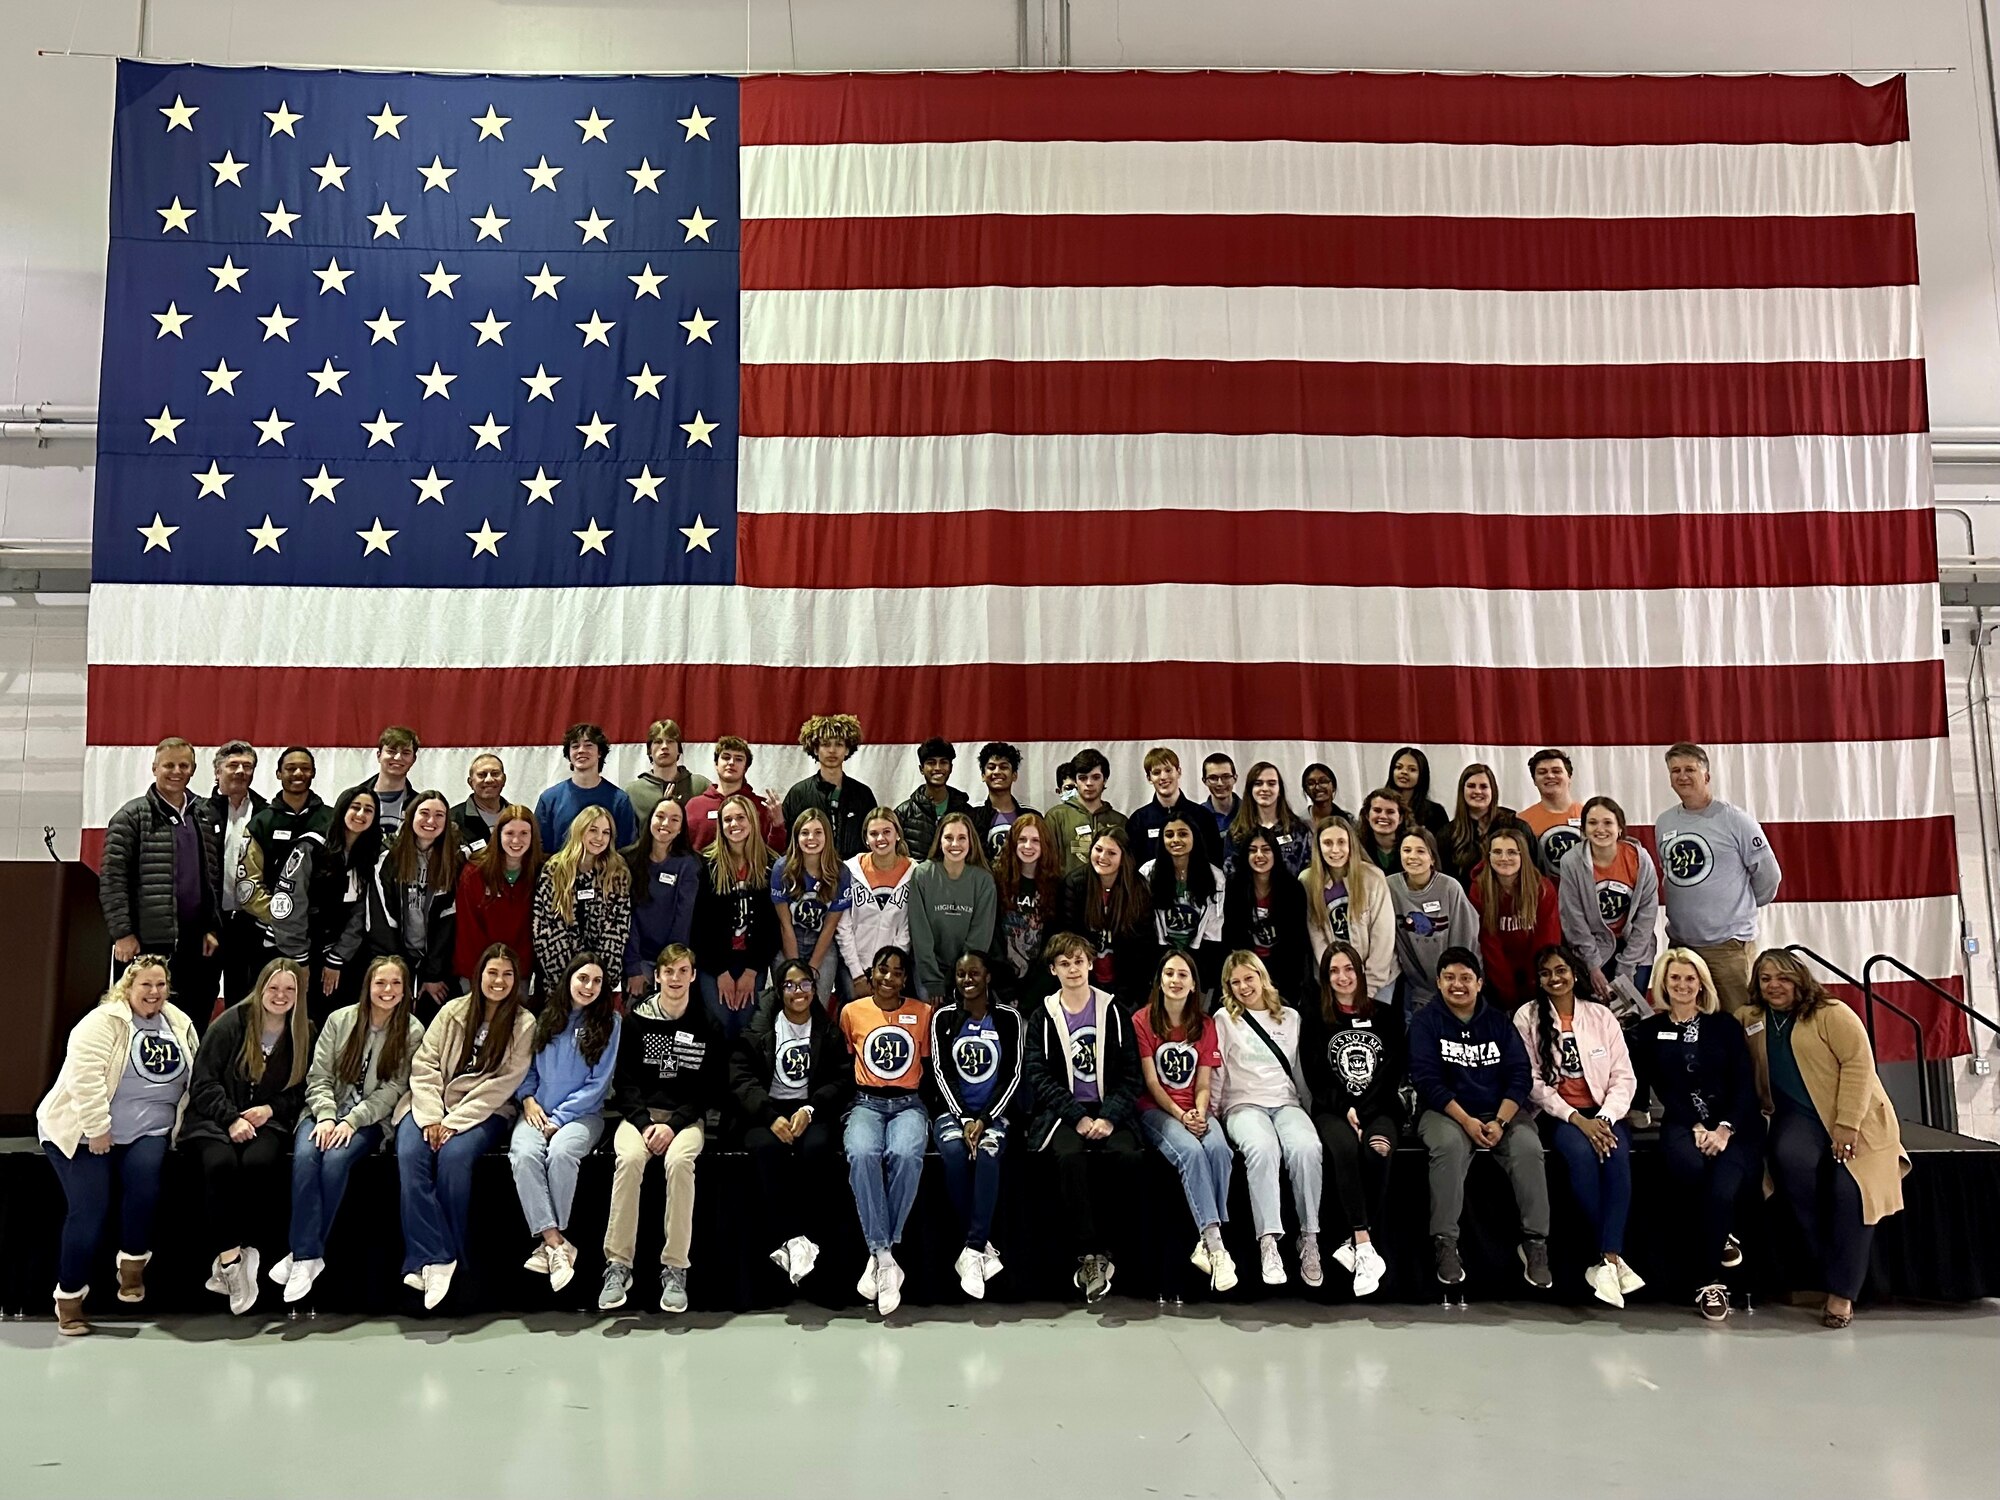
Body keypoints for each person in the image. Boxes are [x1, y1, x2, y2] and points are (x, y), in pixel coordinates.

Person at [1741, 949, 1908, 1329]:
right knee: (1789, 1164)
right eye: (1766, 978)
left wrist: (1846, 1125)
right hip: (1797, 1118)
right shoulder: (1750, 1018)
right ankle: (1831, 1263)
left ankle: (1841, 1294)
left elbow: (1858, 1065)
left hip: (1855, 1118)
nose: (1773, 986)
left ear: (1800, 979)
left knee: (1851, 1194)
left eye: (1782, 977)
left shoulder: (1831, 1013)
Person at [36, 956, 198, 1334]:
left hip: (149, 1130)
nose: (154, 993)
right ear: (128, 987)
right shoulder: (102, 1022)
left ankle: (132, 1266)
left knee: (145, 1186)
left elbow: (195, 1073)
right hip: (84, 1129)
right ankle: (70, 1298)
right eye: (146, 985)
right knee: (89, 1209)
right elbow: (85, 1078)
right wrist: (97, 1128)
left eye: (160, 985)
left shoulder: (179, 1022)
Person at [274, 953, 423, 1304]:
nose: (387, 990)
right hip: (323, 1110)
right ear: (368, 985)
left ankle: (303, 1254)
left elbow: (393, 1090)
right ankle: (308, 1256)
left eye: (396, 983)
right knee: (307, 1156)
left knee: (336, 1161)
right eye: (380, 982)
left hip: (369, 1120)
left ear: (405, 990)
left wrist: (351, 1121)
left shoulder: (412, 1031)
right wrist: (326, 1115)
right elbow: (319, 1075)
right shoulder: (339, 1020)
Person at [396, 943, 537, 1310]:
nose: (499, 981)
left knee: (454, 1160)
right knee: (410, 1154)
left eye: (507, 974)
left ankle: (444, 1259)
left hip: (482, 1112)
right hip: (430, 1106)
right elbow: (424, 1065)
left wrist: (453, 1124)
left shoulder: (524, 1024)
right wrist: (430, 1117)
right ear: (479, 975)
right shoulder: (451, 1012)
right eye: (493, 972)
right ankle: (436, 1256)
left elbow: (502, 1085)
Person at [1630, 949, 1763, 1321]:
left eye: (1690, 978)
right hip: (1683, 1124)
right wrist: (1696, 1126)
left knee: (1721, 1190)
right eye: (1675, 978)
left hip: (1735, 1126)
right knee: (1689, 1168)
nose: (1683, 985)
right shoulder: (1650, 1031)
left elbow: (1743, 1086)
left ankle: (1711, 1282)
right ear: (1662, 983)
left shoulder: (1725, 1026)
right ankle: (1722, 1236)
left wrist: (1723, 1129)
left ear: (1702, 983)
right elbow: (1658, 1088)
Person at [1407, 947, 1552, 1290]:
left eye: (1466, 978)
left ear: (1480, 983)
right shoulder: (1426, 1023)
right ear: (1439, 983)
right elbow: (1427, 1081)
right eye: (1450, 978)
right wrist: (1467, 1121)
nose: (1458, 985)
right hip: (1446, 1112)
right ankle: (1445, 1243)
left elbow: (1520, 1076)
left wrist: (1500, 1122)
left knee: (1529, 1148)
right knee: (1448, 1148)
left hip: (1499, 1113)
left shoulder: (1499, 1022)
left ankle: (1535, 1243)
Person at [1514, 943, 1643, 1307]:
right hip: (1560, 1116)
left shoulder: (1600, 1015)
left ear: (1575, 974)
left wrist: (1602, 1119)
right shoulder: (1527, 1017)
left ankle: (1608, 1259)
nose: (1554, 978)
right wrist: (1578, 1121)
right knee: (1582, 1161)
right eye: (1546, 973)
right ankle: (1612, 1257)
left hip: (1604, 1112)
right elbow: (1533, 1083)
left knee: (1618, 1160)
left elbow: (1624, 1077)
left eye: (1561, 970)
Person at [180, 957, 311, 1314]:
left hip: (267, 1121)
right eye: (273, 987)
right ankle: (232, 1262)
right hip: (213, 1119)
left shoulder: (304, 1031)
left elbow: (303, 1090)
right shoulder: (230, 1024)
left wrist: (271, 1110)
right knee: (220, 1164)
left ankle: (242, 1253)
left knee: (259, 1162)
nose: (280, 996)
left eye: (289, 989)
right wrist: (231, 1119)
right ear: (260, 988)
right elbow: (203, 1083)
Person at [598, 943, 721, 1314]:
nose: (676, 979)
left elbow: (708, 1089)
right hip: (640, 1118)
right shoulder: (637, 1019)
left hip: (685, 1120)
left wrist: (675, 1125)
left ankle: (675, 1268)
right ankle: (618, 1265)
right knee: (630, 1160)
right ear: (657, 977)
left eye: (683, 971)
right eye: (669, 972)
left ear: (693, 976)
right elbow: (626, 1082)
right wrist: (644, 1122)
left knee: (680, 1163)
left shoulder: (706, 1024)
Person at [1024, 932, 1143, 1302]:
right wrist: (1076, 1116)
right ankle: (1088, 1254)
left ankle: (1114, 1250)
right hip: (1065, 1114)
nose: (1073, 969)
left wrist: (1108, 1118)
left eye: (1079, 961)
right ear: (1053, 969)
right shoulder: (1043, 1015)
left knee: (1127, 1157)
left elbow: (1131, 1075)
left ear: (1091, 964)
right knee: (1070, 1158)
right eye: (1064, 963)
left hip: (1109, 1111)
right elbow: (1037, 1074)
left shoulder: (1113, 1010)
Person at [732, 959, 852, 1288]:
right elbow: (741, 1078)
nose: (798, 991)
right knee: (765, 1149)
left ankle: (798, 1240)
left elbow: (842, 1080)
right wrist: (770, 1116)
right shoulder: (761, 1028)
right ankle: (796, 1240)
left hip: (810, 1110)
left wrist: (811, 1109)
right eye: (789, 985)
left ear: (815, 989)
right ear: (779, 990)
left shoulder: (827, 1030)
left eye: (805, 985)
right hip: (768, 1111)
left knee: (816, 1148)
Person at [510, 954, 621, 1295]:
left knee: (560, 1154)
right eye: (582, 978)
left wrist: (558, 1120)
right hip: (537, 1110)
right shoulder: (543, 1018)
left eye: (596, 981)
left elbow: (598, 1085)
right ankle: (556, 1242)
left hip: (582, 1117)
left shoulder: (611, 1022)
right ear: (569, 979)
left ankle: (551, 1245)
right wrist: (528, 1099)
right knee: (523, 1155)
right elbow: (524, 1070)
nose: (588, 987)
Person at [1215, 951, 1324, 1288]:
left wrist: (1311, 1112)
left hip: (1285, 1103)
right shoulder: (1224, 1019)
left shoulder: (1290, 1018)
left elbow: (1300, 1073)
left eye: (1249, 978)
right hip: (1243, 1104)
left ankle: (1309, 1238)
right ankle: (1269, 1242)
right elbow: (1216, 1070)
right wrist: (1212, 1116)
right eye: (1236, 982)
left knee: (1307, 1148)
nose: (1244, 987)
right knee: (1263, 1149)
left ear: (1262, 977)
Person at [1132, 950, 1238, 1293]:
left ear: (1194, 985)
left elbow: (1204, 1082)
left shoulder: (1205, 1025)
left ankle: (1208, 1241)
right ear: (1159, 980)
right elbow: (1151, 1082)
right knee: (1192, 1152)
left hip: (1195, 1108)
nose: (1175, 981)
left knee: (1220, 1148)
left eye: (1182, 975)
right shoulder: (1142, 1020)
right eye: (1169, 974)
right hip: (1156, 1111)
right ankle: (1216, 1246)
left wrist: (1199, 1112)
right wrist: (1181, 1115)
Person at [1299, 941, 1400, 1298]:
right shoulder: (1315, 1018)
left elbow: (1391, 1075)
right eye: (1333, 971)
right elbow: (1315, 1076)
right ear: (1325, 978)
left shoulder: (1386, 1016)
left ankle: (1354, 1244)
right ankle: (1364, 1242)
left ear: (1359, 972)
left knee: (1378, 1151)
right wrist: (1346, 1108)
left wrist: (1366, 1111)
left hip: (1379, 1109)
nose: (1342, 977)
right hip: (1333, 1110)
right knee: (1343, 1148)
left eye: (1348, 969)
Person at [100, 736, 222, 1029]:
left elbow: (211, 879)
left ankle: (191, 1075)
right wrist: (123, 933)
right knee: (139, 1020)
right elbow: (112, 879)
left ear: (192, 770)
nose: (176, 771)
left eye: (184, 765)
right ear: (154, 768)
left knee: (192, 1019)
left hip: (195, 942)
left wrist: (211, 927)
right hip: (146, 941)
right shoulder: (131, 816)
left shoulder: (203, 814)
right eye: (169, 765)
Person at [1655, 742, 1783, 1014]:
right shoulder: (1665, 822)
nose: (1682, 776)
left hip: (1727, 947)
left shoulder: (1735, 819)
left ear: (1707, 776)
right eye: (1675, 770)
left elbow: (1769, 876)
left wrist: (1737, 910)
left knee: (1741, 1022)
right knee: (1688, 1020)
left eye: (1690, 769)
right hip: (1681, 946)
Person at [840, 946, 933, 1316]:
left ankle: (880, 1254)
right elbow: (846, 1058)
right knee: (862, 1153)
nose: (889, 978)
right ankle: (886, 1256)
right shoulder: (851, 1012)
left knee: (907, 1154)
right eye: (882, 970)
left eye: (897, 972)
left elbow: (928, 1064)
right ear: (871, 973)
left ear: (906, 978)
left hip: (908, 1103)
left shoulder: (923, 1013)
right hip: (866, 1102)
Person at [926, 951, 1025, 1298]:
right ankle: (980, 1247)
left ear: (988, 978)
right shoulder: (942, 1018)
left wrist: (983, 1119)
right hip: (953, 1113)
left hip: (994, 1114)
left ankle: (972, 1248)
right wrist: (965, 1118)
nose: (967, 980)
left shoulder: (1009, 1019)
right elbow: (941, 1072)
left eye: (974, 974)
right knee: (953, 1152)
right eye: (961, 974)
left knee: (987, 1153)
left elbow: (1012, 1074)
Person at [327, 789, 463, 1021]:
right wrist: (400, 977)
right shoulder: (388, 859)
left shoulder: (455, 861)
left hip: (435, 967)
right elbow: (382, 922)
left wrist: (432, 975)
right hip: (396, 960)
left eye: (439, 815)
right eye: (424, 813)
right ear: (410, 817)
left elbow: (448, 922)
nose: (431, 821)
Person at [237, 747, 332, 1006]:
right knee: (269, 1008)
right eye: (290, 768)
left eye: (305, 768)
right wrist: (286, 920)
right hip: (271, 938)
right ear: (279, 774)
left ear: (314, 774)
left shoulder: (332, 820)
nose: (298, 773)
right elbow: (248, 887)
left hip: (320, 939)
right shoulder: (261, 822)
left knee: (314, 1012)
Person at [1558, 795, 1661, 1011]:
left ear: (1620, 828)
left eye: (1607, 822)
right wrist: (1593, 965)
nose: (1600, 829)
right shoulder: (1571, 862)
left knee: (1631, 1017)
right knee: (1599, 1014)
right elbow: (1573, 918)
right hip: (1593, 947)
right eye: (1593, 823)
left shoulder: (1640, 859)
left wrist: (1626, 966)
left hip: (1635, 947)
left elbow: (1647, 917)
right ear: (1584, 829)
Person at [691, 793, 780, 1039]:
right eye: (727, 819)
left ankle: (742, 1078)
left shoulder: (771, 865)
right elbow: (699, 927)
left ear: (752, 821)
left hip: (753, 961)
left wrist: (752, 971)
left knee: (745, 1026)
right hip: (715, 963)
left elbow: (773, 927)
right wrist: (721, 971)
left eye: (740, 818)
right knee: (719, 1025)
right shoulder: (706, 864)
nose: (734, 824)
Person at [532, 805, 634, 986]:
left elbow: (617, 931)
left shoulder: (617, 872)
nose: (599, 838)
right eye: (593, 830)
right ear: (580, 830)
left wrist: (597, 980)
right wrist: (568, 981)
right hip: (558, 980)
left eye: (606, 832)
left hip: (600, 982)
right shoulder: (555, 870)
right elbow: (546, 929)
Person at [1057, 830, 1155, 1013]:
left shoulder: (1138, 888)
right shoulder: (1075, 883)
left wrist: (1138, 996)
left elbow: (1144, 946)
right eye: (1098, 849)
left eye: (1111, 853)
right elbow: (1068, 938)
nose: (1102, 857)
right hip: (1084, 981)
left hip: (1126, 984)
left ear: (1123, 857)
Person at [1302, 816, 1396, 1001]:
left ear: (1351, 844)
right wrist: (1336, 979)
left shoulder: (1373, 877)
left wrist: (1368, 986)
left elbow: (1383, 937)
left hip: (1378, 980)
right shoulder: (1307, 881)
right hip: (1334, 982)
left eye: (1341, 842)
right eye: (1327, 843)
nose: (1335, 850)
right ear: (1318, 847)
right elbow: (1317, 938)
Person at [1388, 829, 1481, 1014]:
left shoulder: (1449, 888)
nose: (1412, 856)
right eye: (1406, 850)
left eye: (1420, 851)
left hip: (1454, 987)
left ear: (1432, 858)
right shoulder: (1389, 887)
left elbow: (1465, 939)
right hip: (1415, 989)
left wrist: (1454, 981)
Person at [909, 811, 999, 999]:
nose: (955, 844)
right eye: (949, 838)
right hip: (929, 970)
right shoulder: (923, 875)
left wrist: (959, 976)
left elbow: (979, 939)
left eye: (962, 838)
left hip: (968, 971)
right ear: (939, 841)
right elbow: (920, 935)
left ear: (971, 842)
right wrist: (933, 980)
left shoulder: (984, 881)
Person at [1473, 826, 1562, 1011]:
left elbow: (1547, 942)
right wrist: (1508, 993)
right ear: (1488, 856)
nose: (1504, 858)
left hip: (1535, 975)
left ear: (1523, 856)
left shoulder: (1543, 889)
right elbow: (1489, 944)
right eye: (1497, 852)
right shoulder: (1478, 890)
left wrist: (1533, 985)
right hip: (1496, 978)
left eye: (1512, 852)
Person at [454, 805, 543, 990]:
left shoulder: (541, 873)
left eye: (524, 833)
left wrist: (519, 969)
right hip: (478, 972)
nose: (516, 840)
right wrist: (483, 971)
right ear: (498, 835)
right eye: (509, 833)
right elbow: (468, 928)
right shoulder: (475, 872)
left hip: (519, 973)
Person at [621, 796, 701, 999]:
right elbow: (626, 916)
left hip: (670, 960)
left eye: (675, 819)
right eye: (661, 816)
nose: (666, 824)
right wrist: (633, 967)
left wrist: (670, 966)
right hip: (636, 958)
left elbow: (683, 918)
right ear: (650, 821)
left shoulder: (688, 864)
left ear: (681, 828)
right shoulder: (628, 860)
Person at [771, 806, 853, 1001]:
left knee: (817, 1005)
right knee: (788, 1002)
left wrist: (813, 969)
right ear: (796, 837)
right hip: (789, 941)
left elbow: (830, 926)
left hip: (822, 944)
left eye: (818, 832)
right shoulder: (782, 869)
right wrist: (795, 969)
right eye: (805, 833)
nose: (811, 838)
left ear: (827, 836)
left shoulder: (841, 872)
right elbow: (785, 925)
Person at [1139, 811, 1227, 992]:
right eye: (1169, 835)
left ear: (1194, 837)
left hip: (1200, 957)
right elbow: (1144, 923)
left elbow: (1214, 929)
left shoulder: (1215, 877)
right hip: (1159, 956)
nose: (1176, 840)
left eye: (1183, 834)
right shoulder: (1147, 873)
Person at [1221, 828, 1312, 1001]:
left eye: (1266, 849)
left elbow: (1297, 941)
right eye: (1253, 850)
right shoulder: (1234, 887)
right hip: (1246, 969)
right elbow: (1231, 935)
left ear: (1275, 853)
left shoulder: (1292, 889)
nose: (1259, 855)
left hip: (1284, 971)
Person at [209, 740, 268, 1003]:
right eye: (233, 765)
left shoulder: (265, 813)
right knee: (199, 994)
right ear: (217, 771)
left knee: (245, 998)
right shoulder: (198, 812)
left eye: (247, 766)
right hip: (210, 922)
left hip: (250, 923)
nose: (241, 771)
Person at [837, 808, 917, 997]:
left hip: (894, 968)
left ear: (897, 834)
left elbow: (908, 927)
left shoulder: (915, 872)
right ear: (866, 839)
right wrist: (857, 974)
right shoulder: (849, 870)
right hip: (853, 965)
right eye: (874, 834)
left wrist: (888, 971)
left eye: (887, 832)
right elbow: (843, 926)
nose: (881, 838)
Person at [781, 713, 878, 858]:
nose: (832, 750)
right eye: (826, 744)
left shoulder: (863, 794)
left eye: (838, 744)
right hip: (810, 873)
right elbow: (788, 842)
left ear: (847, 750)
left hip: (854, 874)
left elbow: (873, 836)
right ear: (815, 749)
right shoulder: (798, 793)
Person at [535, 722, 638, 853]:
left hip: (606, 873)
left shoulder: (620, 801)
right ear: (569, 754)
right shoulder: (549, 799)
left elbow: (626, 849)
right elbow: (540, 849)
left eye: (588, 745)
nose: (581, 750)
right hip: (559, 872)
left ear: (599, 752)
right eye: (575, 746)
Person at [993, 811, 1061, 1000]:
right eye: (1022, 839)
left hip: (1041, 983)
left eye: (1035, 840)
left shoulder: (1056, 885)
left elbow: (1055, 941)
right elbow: (992, 935)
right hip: (1001, 981)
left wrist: (1037, 988)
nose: (1028, 846)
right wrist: (1004, 984)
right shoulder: (997, 880)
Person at [1128, 747, 1226, 872]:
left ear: (1178, 772)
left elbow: (1215, 861)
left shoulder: (1202, 816)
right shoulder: (1139, 820)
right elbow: (1133, 866)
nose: (1163, 777)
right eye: (1156, 772)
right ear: (1149, 778)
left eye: (1168, 770)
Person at [685, 735, 787, 851]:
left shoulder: (761, 807)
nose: (731, 762)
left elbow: (775, 854)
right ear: (716, 764)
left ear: (746, 768)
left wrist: (778, 824)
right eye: (726, 757)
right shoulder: (694, 806)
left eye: (738, 759)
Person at [1043, 747, 1126, 877]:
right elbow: (1046, 864)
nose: (1089, 783)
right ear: (1075, 781)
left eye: (1096, 777)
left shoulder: (1119, 821)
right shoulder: (1056, 817)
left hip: (1109, 894)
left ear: (1104, 780)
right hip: (1067, 894)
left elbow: (1126, 866)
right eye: (1083, 778)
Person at [1443, 762, 1529, 887]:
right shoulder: (1447, 834)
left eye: (1484, 786)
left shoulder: (1517, 828)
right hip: (1464, 904)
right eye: (1471, 786)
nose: (1477, 791)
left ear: (1493, 791)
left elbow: (1532, 871)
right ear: (1462, 791)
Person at [895, 736, 974, 861]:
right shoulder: (903, 813)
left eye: (943, 762)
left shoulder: (966, 812)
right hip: (916, 880)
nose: (937, 768)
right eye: (931, 763)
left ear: (951, 768)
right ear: (921, 769)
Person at [624, 718, 711, 830]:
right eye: (658, 742)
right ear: (649, 751)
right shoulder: (633, 792)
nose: (664, 746)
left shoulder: (700, 786)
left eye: (670, 741)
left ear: (679, 749)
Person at [1227, 761, 1311, 876]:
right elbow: (1231, 873)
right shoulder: (1237, 832)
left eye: (1271, 783)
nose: (1265, 789)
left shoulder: (1298, 830)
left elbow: (1307, 872)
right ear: (1250, 790)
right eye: (1258, 783)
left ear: (1280, 790)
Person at [341, 725, 419, 836]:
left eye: (405, 753)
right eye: (391, 751)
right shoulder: (351, 799)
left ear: (413, 760)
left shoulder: (419, 805)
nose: (397, 757)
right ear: (379, 756)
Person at [1520, 748, 1586, 878]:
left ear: (1569, 777)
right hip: (1542, 895)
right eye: (1542, 772)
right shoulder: (1521, 821)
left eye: (1556, 771)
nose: (1550, 776)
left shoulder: (1590, 816)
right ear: (1534, 780)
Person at [970, 740, 1039, 862]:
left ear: (1014, 775)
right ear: (983, 775)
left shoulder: (1032, 816)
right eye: (991, 767)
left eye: (1004, 767)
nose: (997, 772)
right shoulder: (972, 815)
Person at [1387, 747, 1451, 842]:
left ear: (1422, 775)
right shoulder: (1379, 806)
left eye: (1412, 769)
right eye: (1398, 767)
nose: (1404, 772)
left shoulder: (1436, 813)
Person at [453, 752, 509, 857]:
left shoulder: (519, 818)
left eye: (495, 773)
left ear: (504, 780)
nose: (489, 779)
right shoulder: (453, 820)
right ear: (470, 782)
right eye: (482, 775)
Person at [1357, 788, 1409, 877]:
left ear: (1400, 818)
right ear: (1367, 815)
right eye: (1377, 810)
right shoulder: (1355, 846)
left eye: (1390, 812)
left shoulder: (1414, 845)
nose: (1383, 816)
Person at [1200, 753, 1240, 844]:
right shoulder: (1197, 817)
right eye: (1213, 778)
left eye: (1226, 777)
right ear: (1204, 781)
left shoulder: (1251, 813)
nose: (1220, 783)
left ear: (1235, 778)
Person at [1301, 762, 1351, 829]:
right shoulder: (1299, 823)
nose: (1317, 787)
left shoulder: (1349, 821)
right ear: (1306, 790)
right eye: (1311, 783)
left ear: (1333, 786)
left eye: (1323, 781)